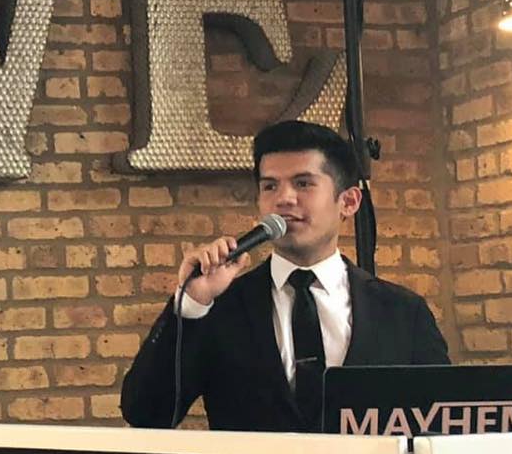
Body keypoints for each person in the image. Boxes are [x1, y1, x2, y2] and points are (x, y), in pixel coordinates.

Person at [121, 120, 449, 432]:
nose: (284, 198)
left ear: (348, 202)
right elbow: (146, 414)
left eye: (303, 183)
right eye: (270, 186)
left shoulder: (402, 313)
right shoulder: (221, 306)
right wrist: (192, 303)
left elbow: (443, 422)